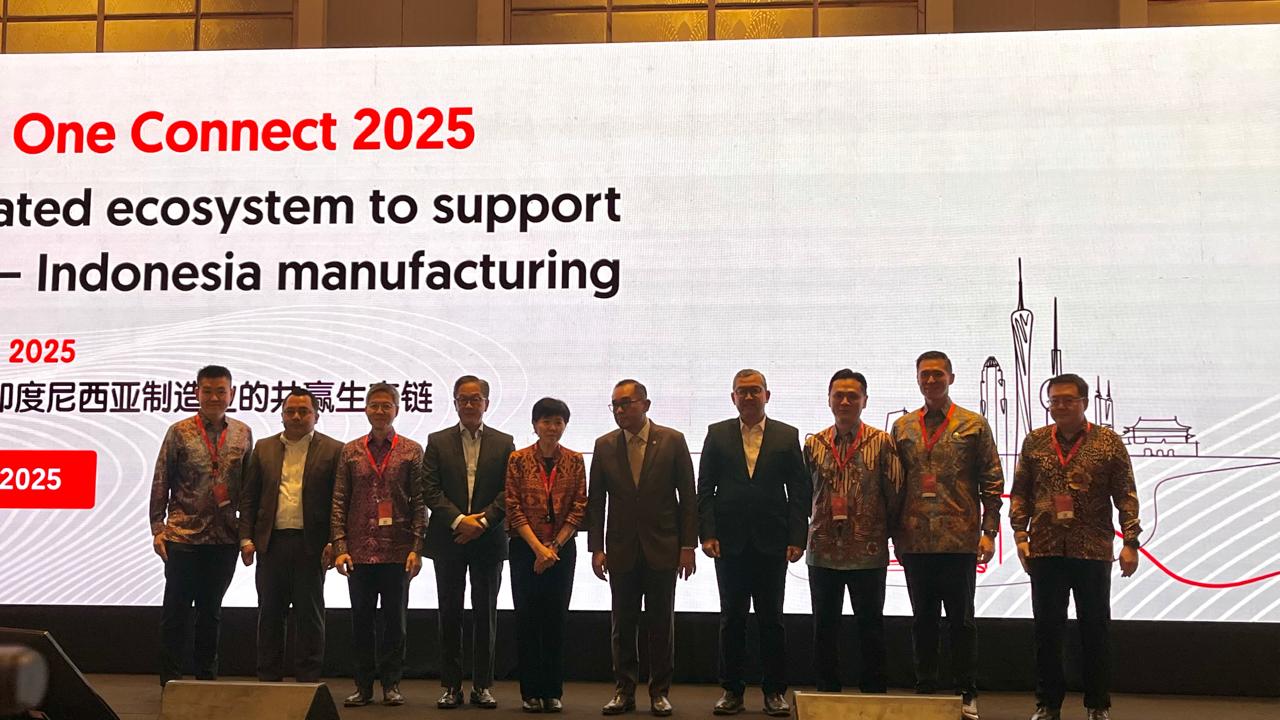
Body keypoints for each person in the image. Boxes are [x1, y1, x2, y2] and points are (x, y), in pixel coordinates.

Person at [1011, 374, 1141, 720]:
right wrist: (1020, 535)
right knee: (1047, 631)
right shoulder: (1036, 441)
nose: (1060, 406)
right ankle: (1048, 705)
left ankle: (1097, 705)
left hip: (1092, 549)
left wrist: (1130, 542)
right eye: (1054, 400)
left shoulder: (1108, 442)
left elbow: (1126, 494)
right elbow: (1021, 492)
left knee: (1094, 629)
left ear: (1084, 402)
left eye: (1068, 399)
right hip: (1045, 549)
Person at [890, 351, 1003, 720]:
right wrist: (895, 534)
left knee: (961, 621)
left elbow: (992, 481)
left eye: (937, 374)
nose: (931, 380)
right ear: (917, 379)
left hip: (959, 541)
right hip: (915, 540)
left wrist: (989, 532)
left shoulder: (973, 424)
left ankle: (966, 691)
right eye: (924, 374)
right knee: (922, 620)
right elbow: (894, 484)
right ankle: (926, 689)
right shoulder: (903, 427)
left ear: (951, 378)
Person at [696, 369, 807, 716]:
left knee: (772, 620)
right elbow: (705, 489)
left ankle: (774, 692)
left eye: (754, 390)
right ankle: (731, 691)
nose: (748, 396)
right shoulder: (717, 433)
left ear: (767, 396)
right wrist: (707, 533)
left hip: (773, 542)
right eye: (741, 391)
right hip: (728, 543)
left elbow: (799, 491)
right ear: (733, 398)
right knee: (732, 618)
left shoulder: (787, 435)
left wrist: (797, 537)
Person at [587, 379, 698, 717]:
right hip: (621, 548)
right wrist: (596, 548)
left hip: (663, 546)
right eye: (615, 405)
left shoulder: (673, 440)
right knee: (622, 624)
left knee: (661, 624)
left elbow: (688, 497)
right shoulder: (604, 445)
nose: (620, 410)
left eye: (626, 403)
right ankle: (624, 690)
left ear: (645, 405)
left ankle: (659, 692)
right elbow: (597, 502)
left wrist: (687, 546)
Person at [149, 365, 253, 686]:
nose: (214, 397)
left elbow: (249, 488)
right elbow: (162, 478)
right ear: (197, 393)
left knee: (211, 612)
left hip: (224, 539)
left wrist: (246, 534)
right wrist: (157, 528)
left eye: (221, 391)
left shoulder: (243, 433)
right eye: (207, 391)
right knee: (176, 612)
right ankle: (171, 681)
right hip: (184, 536)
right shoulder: (179, 431)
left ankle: (206, 680)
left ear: (232, 394)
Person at [803, 369, 903, 694]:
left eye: (852, 396)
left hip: (868, 551)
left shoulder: (882, 442)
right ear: (829, 400)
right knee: (824, 627)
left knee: (870, 626)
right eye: (839, 395)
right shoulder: (814, 444)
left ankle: (873, 693)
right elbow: (805, 494)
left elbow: (895, 493)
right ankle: (825, 694)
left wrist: (885, 532)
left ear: (865, 401)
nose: (845, 401)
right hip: (823, 551)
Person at [238, 386, 344, 683]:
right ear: (282, 415)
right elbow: (249, 497)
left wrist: (335, 542)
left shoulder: (334, 449)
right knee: (270, 613)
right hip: (271, 544)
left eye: (304, 411)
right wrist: (245, 538)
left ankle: (308, 677)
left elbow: (339, 500)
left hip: (312, 545)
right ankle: (268, 676)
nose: (296, 417)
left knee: (310, 614)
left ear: (316, 416)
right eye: (291, 411)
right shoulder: (264, 447)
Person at [422, 376, 516, 709]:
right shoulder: (437, 441)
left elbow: (509, 490)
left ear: (486, 403)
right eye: (463, 399)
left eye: (476, 399)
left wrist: (483, 522)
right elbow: (430, 489)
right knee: (449, 612)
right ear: (455, 403)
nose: (470, 405)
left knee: (485, 613)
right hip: (449, 538)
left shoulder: (504, 443)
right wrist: (461, 521)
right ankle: (451, 685)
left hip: (488, 540)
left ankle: (482, 685)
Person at [331, 383, 427, 707]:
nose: (380, 411)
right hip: (358, 551)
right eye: (374, 405)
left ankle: (391, 684)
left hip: (398, 550)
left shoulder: (411, 450)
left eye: (387, 405)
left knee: (395, 623)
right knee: (361, 622)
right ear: (366, 409)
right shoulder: (350, 451)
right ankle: (363, 686)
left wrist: (417, 547)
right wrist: (340, 546)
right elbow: (339, 500)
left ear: (397, 410)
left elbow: (420, 503)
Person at [506, 397, 588, 713]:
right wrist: (538, 548)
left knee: (556, 620)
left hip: (561, 551)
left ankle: (552, 691)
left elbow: (579, 506)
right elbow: (513, 506)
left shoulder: (575, 460)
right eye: (546, 421)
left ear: (565, 425)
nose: (552, 428)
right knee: (527, 619)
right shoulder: (518, 460)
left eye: (558, 422)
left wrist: (553, 548)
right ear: (534, 425)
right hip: (524, 548)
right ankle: (530, 692)